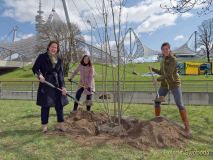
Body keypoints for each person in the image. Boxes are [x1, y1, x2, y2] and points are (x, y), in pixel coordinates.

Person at [149, 42, 191, 135]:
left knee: (179, 104)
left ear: (169, 49)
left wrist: (157, 80)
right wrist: (153, 69)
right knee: (157, 102)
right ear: (162, 51)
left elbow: (169, 74)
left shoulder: (173, 60)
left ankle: (187, 127)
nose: (165, 51)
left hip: (174, 84)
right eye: (163, 49)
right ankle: (157, 122)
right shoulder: (162, 60)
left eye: (166, 49)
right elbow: (162, 72)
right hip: (165, 85)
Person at [32, 41, 68, 132]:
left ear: (57, 49)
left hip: (57, 84)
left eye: (55, 47)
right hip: (46, 83)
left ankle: (61, 124)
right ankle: (44, 126)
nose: (54, 49)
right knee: (45, 105)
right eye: (52, 47)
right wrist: (40, 75)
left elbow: (61, 74)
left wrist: (63, 87)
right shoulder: (42, 57)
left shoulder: (59, 60)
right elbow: (35, 68)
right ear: (48, 47)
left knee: (59, 105)